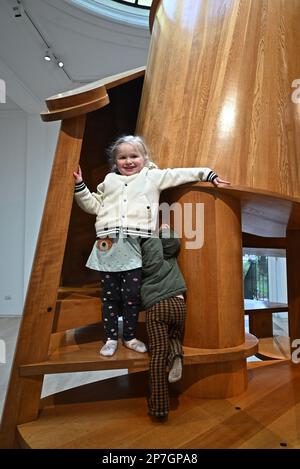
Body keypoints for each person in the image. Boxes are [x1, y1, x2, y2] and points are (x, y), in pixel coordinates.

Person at [73, 135, 229, 357]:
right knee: (109, 296)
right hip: (108, 245)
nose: (128, 161)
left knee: (131, 296)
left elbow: (179, 174)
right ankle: (110, 338)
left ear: (144, 158)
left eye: (134, 156)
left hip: (136, 244)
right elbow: (94, 205)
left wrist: (208, 174)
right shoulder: (109, 180)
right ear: (115, 162)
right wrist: (80, 186)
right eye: (122, 157)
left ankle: (128, 336)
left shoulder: (152, 177)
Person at [141, 224, 187, 421]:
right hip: (179, 304)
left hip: (157, 308)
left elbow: (151, 259)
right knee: (174, 337)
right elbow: (172, 243)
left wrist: (148, 236)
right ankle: (176, 355)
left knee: (158, 353)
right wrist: (165, 230)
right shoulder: (171, 257)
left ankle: (159, 406)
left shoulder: (143, 264)